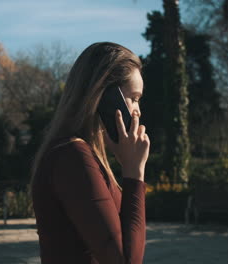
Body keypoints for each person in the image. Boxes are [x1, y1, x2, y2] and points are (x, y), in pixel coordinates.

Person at [30, 42, 150, 264]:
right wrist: (134, 172)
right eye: (133, 98)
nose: (138, 110)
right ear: (106, 96)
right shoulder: (72, 157)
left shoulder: (80, 155)